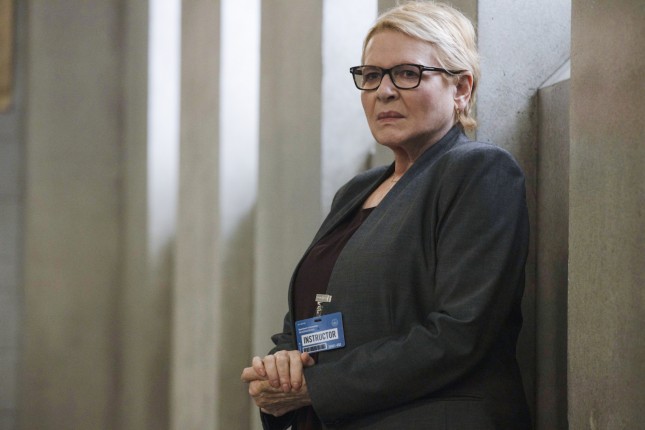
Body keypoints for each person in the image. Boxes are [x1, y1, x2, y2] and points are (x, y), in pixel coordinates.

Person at [241, 1, 531, 429]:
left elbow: (459, 334)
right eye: (372, 75)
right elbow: (311, 317)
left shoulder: (478, 171)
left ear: (461, 88)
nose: (385, 91)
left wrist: (316, 388)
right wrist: (281, 367)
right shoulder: (355, 191)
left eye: (408, 73)